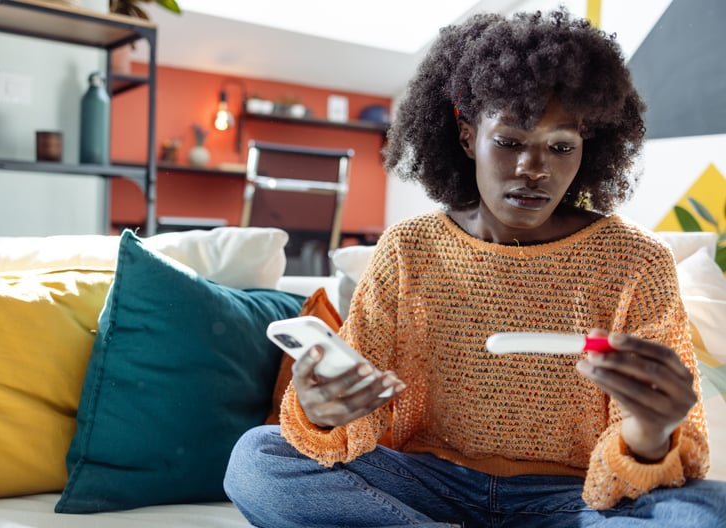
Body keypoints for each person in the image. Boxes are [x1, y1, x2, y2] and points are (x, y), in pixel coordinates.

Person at [224, 8, 726, 527]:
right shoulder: (408, 248)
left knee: (708, 511)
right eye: (510, 141)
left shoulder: (637, 261)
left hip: (570, 500)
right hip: (424, 483)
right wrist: (326, 413)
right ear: (467, 137)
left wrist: (649, 431)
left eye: (561, 146)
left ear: (588, 151)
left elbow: (656, 456)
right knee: (258, 459)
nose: (534, 169)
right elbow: (359, 413)